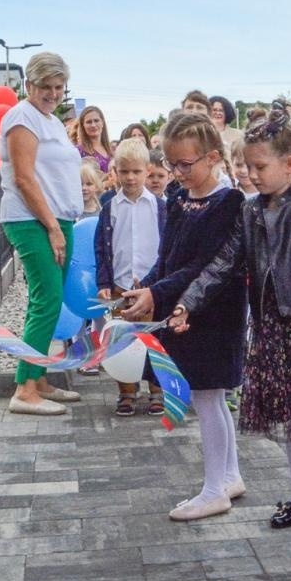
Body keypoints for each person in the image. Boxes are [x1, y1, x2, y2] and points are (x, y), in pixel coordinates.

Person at [169, 102, 291, 532]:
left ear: (289, 164)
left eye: (259, 167)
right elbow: (223, 264)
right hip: (274, 328)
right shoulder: (250, 212)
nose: (250, 176)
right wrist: (188, 303)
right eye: (247, 167)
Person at [121, 113, 248, 520]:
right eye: (172, 164)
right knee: (211, 398)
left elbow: (202, 265)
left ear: (212, 157)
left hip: (213, 313)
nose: (176, 172)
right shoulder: (178, 199)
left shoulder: (229, 203)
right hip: (181, 308)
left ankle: (214, 490)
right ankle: (229, 475)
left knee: (208, 396)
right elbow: (169, 256)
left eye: (185, 164)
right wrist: (149, 288)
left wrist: (158, 291)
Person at [0, 52, 83, 415]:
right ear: (28, 85)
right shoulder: (21, 117)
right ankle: (23, 389)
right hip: (32, 220)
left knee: (46, 301)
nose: (52, 93)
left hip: (56, 218)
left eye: (58, 87)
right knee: (47, 299)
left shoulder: (51, 120)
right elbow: (23, 177)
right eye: (44, 86)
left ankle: (38, 378)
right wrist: (52, 227)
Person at [96, 138, 164, 417]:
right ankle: (126, 392)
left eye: (136, 171)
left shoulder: (161, 206)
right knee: (122, 340)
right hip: (120, 287)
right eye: (124, 172)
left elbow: (168, 245)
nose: (130, 177)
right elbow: (101, 247)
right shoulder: (110, 207)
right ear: (115, 172)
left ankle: (157, 391)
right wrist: (103, 283)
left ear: (147, 171)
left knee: (156, 340)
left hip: (153, 287)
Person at [73, 105, 115, 172]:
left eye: (96, 120)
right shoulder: (77, 151)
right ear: (83, 126)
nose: (93, 125)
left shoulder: (112, 150)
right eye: (89, 122)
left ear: (102, 123)